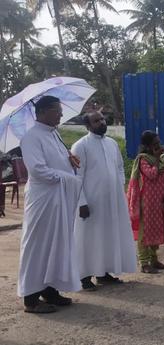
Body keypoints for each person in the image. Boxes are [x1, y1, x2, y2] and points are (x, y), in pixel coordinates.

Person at [18, 96, 82, 313]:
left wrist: (69, 161)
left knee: (57, 244)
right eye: (57, 110)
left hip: (59, 199)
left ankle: (50, 289)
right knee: (38, 245)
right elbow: (38, 170)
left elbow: (57, 163)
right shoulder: (31, 137)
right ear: (43, 112)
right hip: (43, 200)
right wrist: (69, 178)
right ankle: (31, 298)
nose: (61, 114)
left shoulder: (54, 134)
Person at [72, 111, 137, 291]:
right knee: (88, 239)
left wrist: (119, 187)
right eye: (96, 121)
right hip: (91, 202)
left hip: (112, 200)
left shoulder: (112, 143)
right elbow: (76, 177)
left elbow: (119, 167)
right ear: (87, 126)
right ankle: (84, 276)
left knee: (107, 236)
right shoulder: (80, 146)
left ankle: (103, 273)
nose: (101, 122)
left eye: (102, 119)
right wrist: (81, 202)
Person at [127, 131, 164, 273]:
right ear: (148, 145)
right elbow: (151, 174)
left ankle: (154, 259)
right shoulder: (143, 159)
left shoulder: (162, 157)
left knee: (156, 229)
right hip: (147, 201)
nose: (158, 145)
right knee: (144, 231)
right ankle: (144, 263)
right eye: (155, 143)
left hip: (159, 200)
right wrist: (157, 159)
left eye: (159, 142)